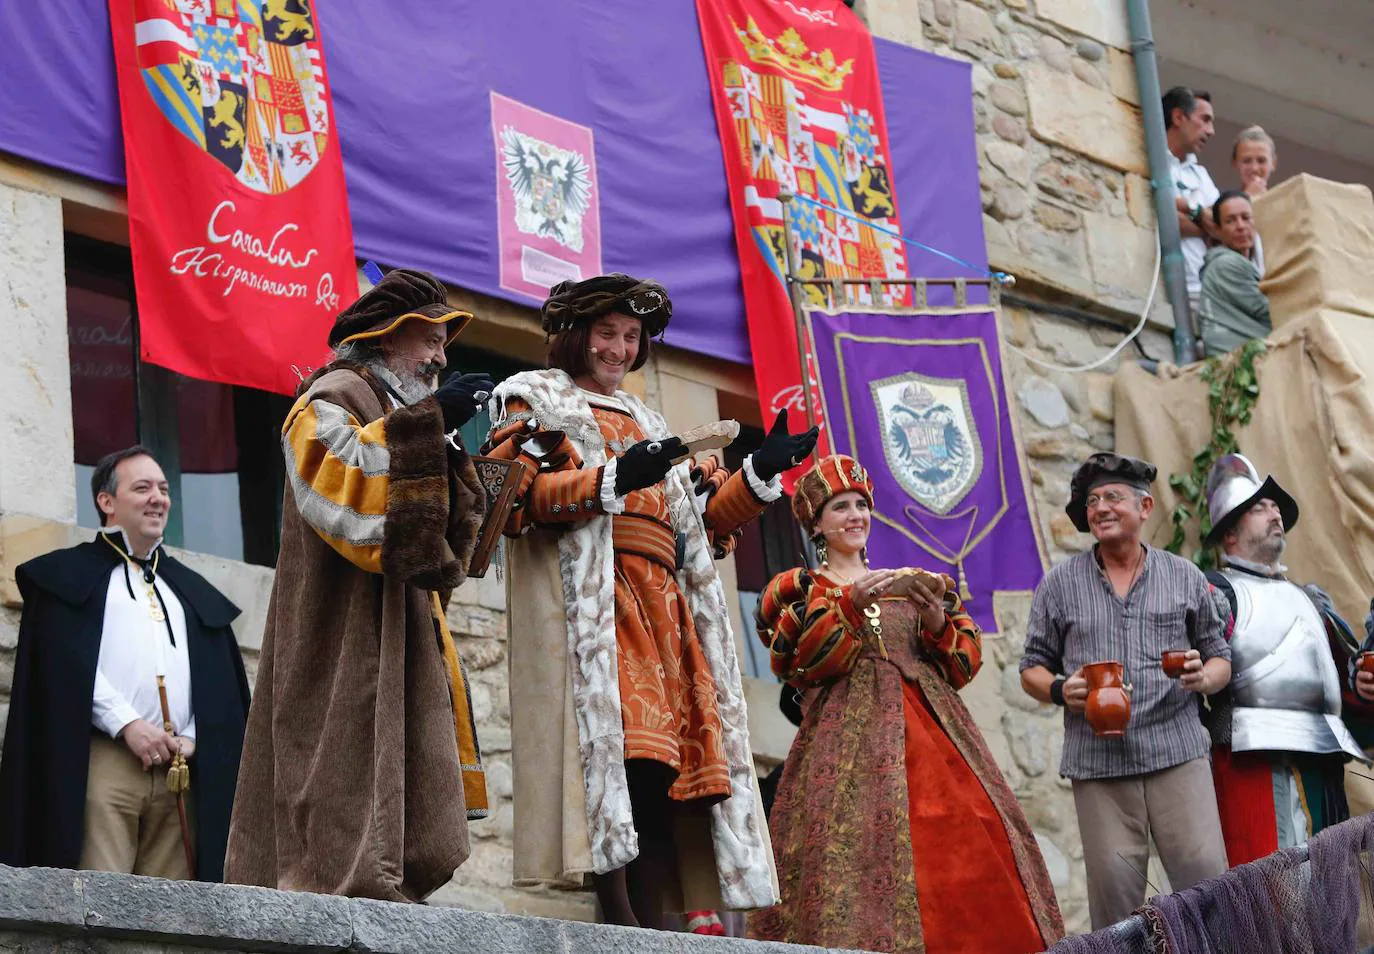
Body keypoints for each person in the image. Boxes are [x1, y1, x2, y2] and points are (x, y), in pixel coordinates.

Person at [483, 273, 817, 928]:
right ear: (576, 335)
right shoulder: (529, 399)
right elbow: (515, 501)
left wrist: (759, 473)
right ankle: (616, 910)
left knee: (670, 767)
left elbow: (702, 525)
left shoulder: (650, 420)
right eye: (606, 333)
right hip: (595, 604)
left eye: (631, 337)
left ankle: (660, 918)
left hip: (668, 608)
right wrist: (611, 478)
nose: (617, 349)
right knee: (620, 757)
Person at [225, 268, 491, 901]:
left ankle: (390, 882)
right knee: (339, 746)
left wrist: (463, 455)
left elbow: (442, 540)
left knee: (407, 759)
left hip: (400, 616)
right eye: (427, 339)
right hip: (337, 622)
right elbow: (339, 483)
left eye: (442, 342)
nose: (439, 356)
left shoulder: (400, 408)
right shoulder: (331, 396)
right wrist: (430, 422)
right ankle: (342, 888)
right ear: (383, 338)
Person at [749, 455, 1063, 953]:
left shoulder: (909, 580)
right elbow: (799, 666)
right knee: (850, 856)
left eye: (860, 506)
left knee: (970, 829)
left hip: (935, 734)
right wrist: (848, 605)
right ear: (818, 524)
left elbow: (959, 667)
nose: (855, 516)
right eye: (840, 508)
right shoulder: (804, 591)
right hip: (849, 747)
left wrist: (937, 619)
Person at [0, 446, 250, 881]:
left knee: (175, 914)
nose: (158, 498)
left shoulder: (188, 590)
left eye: (164, 489)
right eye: (142, 488)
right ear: (107, 502)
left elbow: (219, 686)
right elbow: (64, 669)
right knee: (99, 898)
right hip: (105, 763)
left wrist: (193, 736)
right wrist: (126, 723)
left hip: (181, 771)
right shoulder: (68, 578)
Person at [1020, 452, 1231, 930]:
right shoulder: (1058, 585)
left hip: (1177, 753)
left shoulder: (1184, 576)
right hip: (1099, 766)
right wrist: (1060, 689)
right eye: (1092, 501)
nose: (1101, 508)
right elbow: (1030, 668)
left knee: (1207, 887)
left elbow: (1219, 657)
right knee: (1116, 903)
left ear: (1145, 507)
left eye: (1113, 497)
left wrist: (1205, 677)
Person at [1201, 454, 1366, 866]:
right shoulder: (1215, 593)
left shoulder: (1310, 599)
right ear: (1230, 536)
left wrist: (1363, 685)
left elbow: (1345, 683)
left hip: (1322, 757)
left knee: (1329, 886)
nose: (1274, 513)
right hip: (1251, 760)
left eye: (1275, 507)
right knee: (1267, 889)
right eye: (1259, 508)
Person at [1163, 86, 1219, 322]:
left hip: (1206, 291)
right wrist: (1199, 216)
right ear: (1178, 117)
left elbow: (1220, 227)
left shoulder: (1201, 174)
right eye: (1205, 120)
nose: (1212, 131)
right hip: (1165, 294)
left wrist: (1184, 215)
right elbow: (1160, 217)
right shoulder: (1150, 159)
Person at [1198, 191, 1271, 357]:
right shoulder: (1227, 264)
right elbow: (1271, 311)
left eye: (1246, 218)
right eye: (1230, 221)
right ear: (1217, 230)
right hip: (1238, 364)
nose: (1240, 226)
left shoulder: (1245, 263)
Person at [1232, 125, 1277, 200]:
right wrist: (1247, 197)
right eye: (1246, 161)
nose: (1254, 168)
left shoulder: (1286, 204)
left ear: (1273, 163)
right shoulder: (1220, 204)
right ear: (1235, 163)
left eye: (1261, 160)